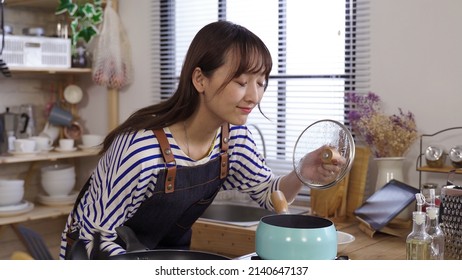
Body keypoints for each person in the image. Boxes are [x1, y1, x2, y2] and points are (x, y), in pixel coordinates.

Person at [60, 20, 344, 259]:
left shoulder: (235, 140)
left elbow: (270, 196)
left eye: (261, 82)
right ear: (200, 80)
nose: (254, 97)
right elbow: (94, 237)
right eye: (241, 82)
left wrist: (302, 172)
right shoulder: (139, 148)